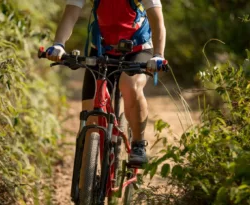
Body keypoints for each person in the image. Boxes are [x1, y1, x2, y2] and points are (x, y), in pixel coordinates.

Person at [46, 0, 166, 167]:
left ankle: (138, 145)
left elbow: (157, 20)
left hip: (138, 49)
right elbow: (71, 13)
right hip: (102, 50)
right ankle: (83, 188)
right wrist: (59, 44)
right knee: (90, 122)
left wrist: (158, 54)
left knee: (130, 85)